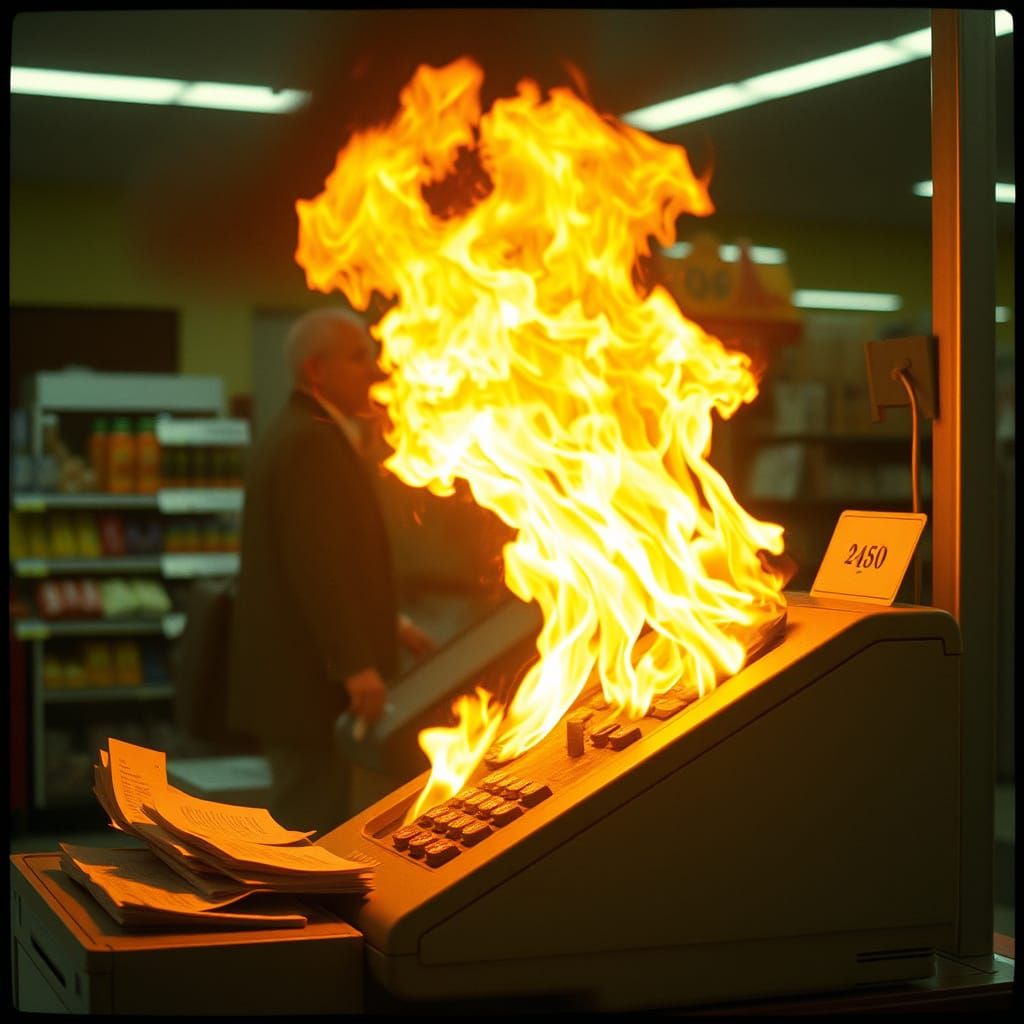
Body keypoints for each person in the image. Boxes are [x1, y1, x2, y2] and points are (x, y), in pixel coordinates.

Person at [226, 308, 434, 836]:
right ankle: (293, 922)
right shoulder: (311, 442)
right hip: (308, 686)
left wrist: (389, 624)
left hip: (302, 679)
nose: (373, 370)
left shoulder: (307, 432)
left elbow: (337, 557)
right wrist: (355, 665)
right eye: (358, 357)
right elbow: (315, 565)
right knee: (307, 831)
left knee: (314, 817)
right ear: (316, 371)